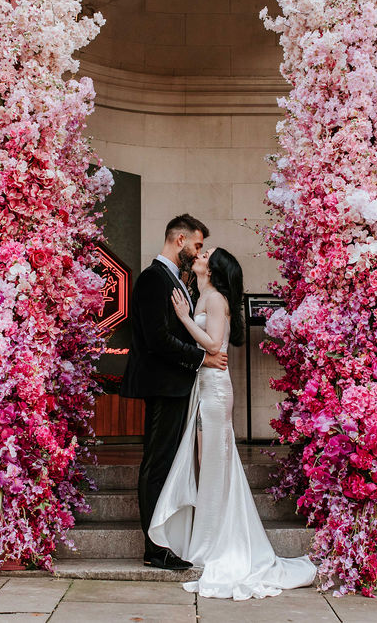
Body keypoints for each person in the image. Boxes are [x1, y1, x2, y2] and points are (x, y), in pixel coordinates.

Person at [149, 247, 317, 599]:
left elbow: (213, 344)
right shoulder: (204, 294)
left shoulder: (216, 300)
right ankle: (207, 537)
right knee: (207, 466)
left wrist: (182, 318)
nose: (198, 253)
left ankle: (213, 544)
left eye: (205, 253)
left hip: (215, 393)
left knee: (213, 466)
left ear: (213, 267)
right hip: (205, 387)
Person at [120, 214, 229, 571]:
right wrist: (202, 359)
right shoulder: (154, 278)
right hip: (163, 385)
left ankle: (164, 539)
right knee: (157, 464)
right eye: (198, 245)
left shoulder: (176, 279)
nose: (199, 251)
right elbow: (157, 340)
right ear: (180, 240)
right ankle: (154, 549)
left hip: (177, 385)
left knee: (166, 463)